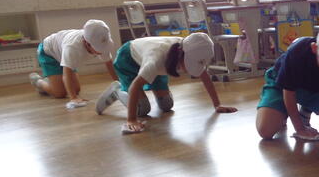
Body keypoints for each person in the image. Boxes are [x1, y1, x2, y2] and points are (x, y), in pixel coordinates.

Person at [95, 32, 237, 133]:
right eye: (189, 63)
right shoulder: (156, 59)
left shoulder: (191, 49)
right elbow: (135, 86)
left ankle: (148, 92)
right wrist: (131, 120)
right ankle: (117, 91)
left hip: (155, 63)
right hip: (128, 59)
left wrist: (217, 105)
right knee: (142, 110)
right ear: (180, 54)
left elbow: (205, 77)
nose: (189, 70)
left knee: (166, 105)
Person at [29, 19, 116, 105]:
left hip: (63, 52)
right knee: (60, 93)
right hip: (49, 52)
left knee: (76, 89)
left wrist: (120, 83)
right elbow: (66, 75)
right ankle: (38, 82)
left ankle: (54, 81)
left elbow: (109, 63)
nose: (101, 51)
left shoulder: (102, 42)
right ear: (86, 43)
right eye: (98, 48)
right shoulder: (72, 47)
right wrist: (73, 98)